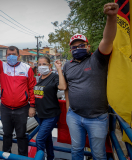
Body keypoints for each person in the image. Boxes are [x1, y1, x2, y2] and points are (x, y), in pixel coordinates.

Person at [63, 3, 119, 160]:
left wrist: (111, 17)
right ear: (70, 50)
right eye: (74, 47)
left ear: (88, 46)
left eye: (82, 45)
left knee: (99, 154)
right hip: (74, 116)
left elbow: (108, 39)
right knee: (76, 150)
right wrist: (68, 110)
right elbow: (67, 88)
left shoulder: (98, 59)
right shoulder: (67, 65)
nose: (78, 48)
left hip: (98, 118)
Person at [0, 29, 36, 156]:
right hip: (6, 108)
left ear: (18, 55)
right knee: (7, 134)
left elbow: (32, 88)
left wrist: (32, 106)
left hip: (22, 108)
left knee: (21, 135)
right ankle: (6, 155)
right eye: (8, 54)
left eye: (13, 54)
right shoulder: (2, 67)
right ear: (6, 56)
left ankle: (23, 157)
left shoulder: (26, 68)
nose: (10, 56)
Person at [34, 56, 67, 160]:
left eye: (44, 64)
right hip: (40, 114)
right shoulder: (40, 78)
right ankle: (50, 157)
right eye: (39, 64)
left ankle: (40, 158)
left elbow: (62, 87)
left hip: (51, 114)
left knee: (39, 139)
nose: (41, 66)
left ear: (49, 65)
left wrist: (59, 69)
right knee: (47, 139)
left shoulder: (54, 77)